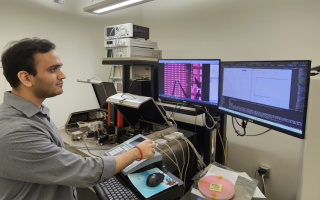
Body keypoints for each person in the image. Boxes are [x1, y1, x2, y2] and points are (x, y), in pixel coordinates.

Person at [0, 38, 156, 200]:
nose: (63, 75)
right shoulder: (16, 131)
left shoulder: (35, 112)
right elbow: (86, 171)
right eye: (53, 70)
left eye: (60, 68)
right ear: (25, 78)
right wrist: (137, 152)